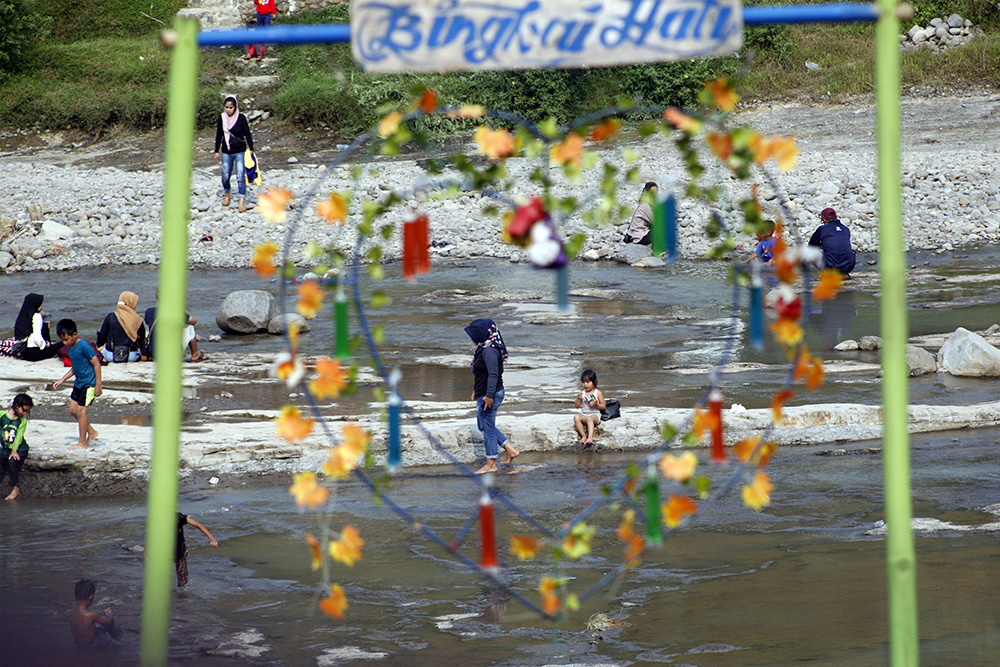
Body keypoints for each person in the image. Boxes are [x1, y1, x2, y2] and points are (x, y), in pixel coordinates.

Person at [465, 319, 520, 475]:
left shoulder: (489, 350)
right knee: (483, 425)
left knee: (487, 428)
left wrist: (488, 396)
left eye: (473, 334)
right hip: (485, 393)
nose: (471, 338)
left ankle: (491, 463)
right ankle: (510, 449)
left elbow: (494, 374)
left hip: (492, 394)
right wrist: (477, 390)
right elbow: (483, 374)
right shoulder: (484, 347)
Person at [54, 319, 102, 449]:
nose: (64, 343)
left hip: (89, 384)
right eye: (62, 340)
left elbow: (96, 364)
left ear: (75, 334)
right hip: (79, 383)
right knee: (73, 410)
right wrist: (62, 380)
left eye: (66, 339)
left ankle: (82, 442)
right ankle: (91, 432)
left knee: (81, 412)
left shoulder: (84, 346)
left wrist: (98, 385)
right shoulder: (70, 348)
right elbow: (75, 368)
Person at [214, 94, 254, 213]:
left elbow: (247, 133)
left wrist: (251, 148)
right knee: (225, 175)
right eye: (226, 107)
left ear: (235, 107)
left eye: (231, 108)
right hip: (227, 151)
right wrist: (216, 150)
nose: (228, 110)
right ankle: (227, 194)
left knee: (240, 175)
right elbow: (219, 135)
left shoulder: (241, 118)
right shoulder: (221, 118)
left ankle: (242, 201)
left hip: (240, 150)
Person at [143, 299, 208, 362]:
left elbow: (147, 322)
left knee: (150, 327)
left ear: (156, 298)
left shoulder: (149, 311)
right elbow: (194, 321)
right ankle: (195, 355)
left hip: (154, 354)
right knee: (190, 326)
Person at [69, 579, 124, 649]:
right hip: (93, 643)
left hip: (80, 644)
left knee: (100, 623)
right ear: (91, 597)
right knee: (120, 647)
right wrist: (110, 615)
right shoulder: (91, 615)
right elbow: (107, 623)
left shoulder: (72, 613)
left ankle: (117, 637)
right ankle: (118, 638)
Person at [96, 292, 145, 363]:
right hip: (131, 356)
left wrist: (100, 346)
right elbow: (142, 340)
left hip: (111, 355)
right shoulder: (137, 319)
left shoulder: (111, 316)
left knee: (103, 348)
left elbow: (102, 337)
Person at [13, 293, 63, 361]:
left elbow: (29, 330)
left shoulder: (23, 316)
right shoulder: (37, 316)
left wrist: (43, 324)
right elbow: (37, 337)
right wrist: (45, 345)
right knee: (63, 343)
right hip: (34, 354)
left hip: (24, 352)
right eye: (40, 304)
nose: (42, 306)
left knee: (44, 325)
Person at [1, 393, 32, 500]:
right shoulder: (2, 416)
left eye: (27, 411)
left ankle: (16, 489)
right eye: (24, 410)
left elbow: (19, 436)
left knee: (12, 462)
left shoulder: (22, 421)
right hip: (6, 448)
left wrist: (14, 450)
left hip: (20, 448)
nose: (25, 413)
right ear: (17, 406)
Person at [808, 207, 856, 277]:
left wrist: (822, 245)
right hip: (848, 266)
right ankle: (843, 273)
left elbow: (811, 245)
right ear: (836, 217)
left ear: (824, 219)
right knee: (850, 252)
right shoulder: (845, 229)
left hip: (831, 266)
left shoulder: (822, 229)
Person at [175, 512, 218, 587]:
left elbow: (198, 525)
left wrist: (211, 538)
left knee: (182, 576)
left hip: (180, 549)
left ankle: (182, 595)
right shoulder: (159, 521)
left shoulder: (178, 517)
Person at [573, 369, 606, 446]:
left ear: (594, 382)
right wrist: (579, 399)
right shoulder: (582, 393)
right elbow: (577, 406)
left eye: (588, 382)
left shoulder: (597, 393)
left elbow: (603, 406)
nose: (585, 384)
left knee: (590, 418)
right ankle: (584, 436)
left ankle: (590, 437)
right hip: (584, 414)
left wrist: (596, 405)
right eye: (583, 382)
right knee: (576, 417)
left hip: (595, 415)